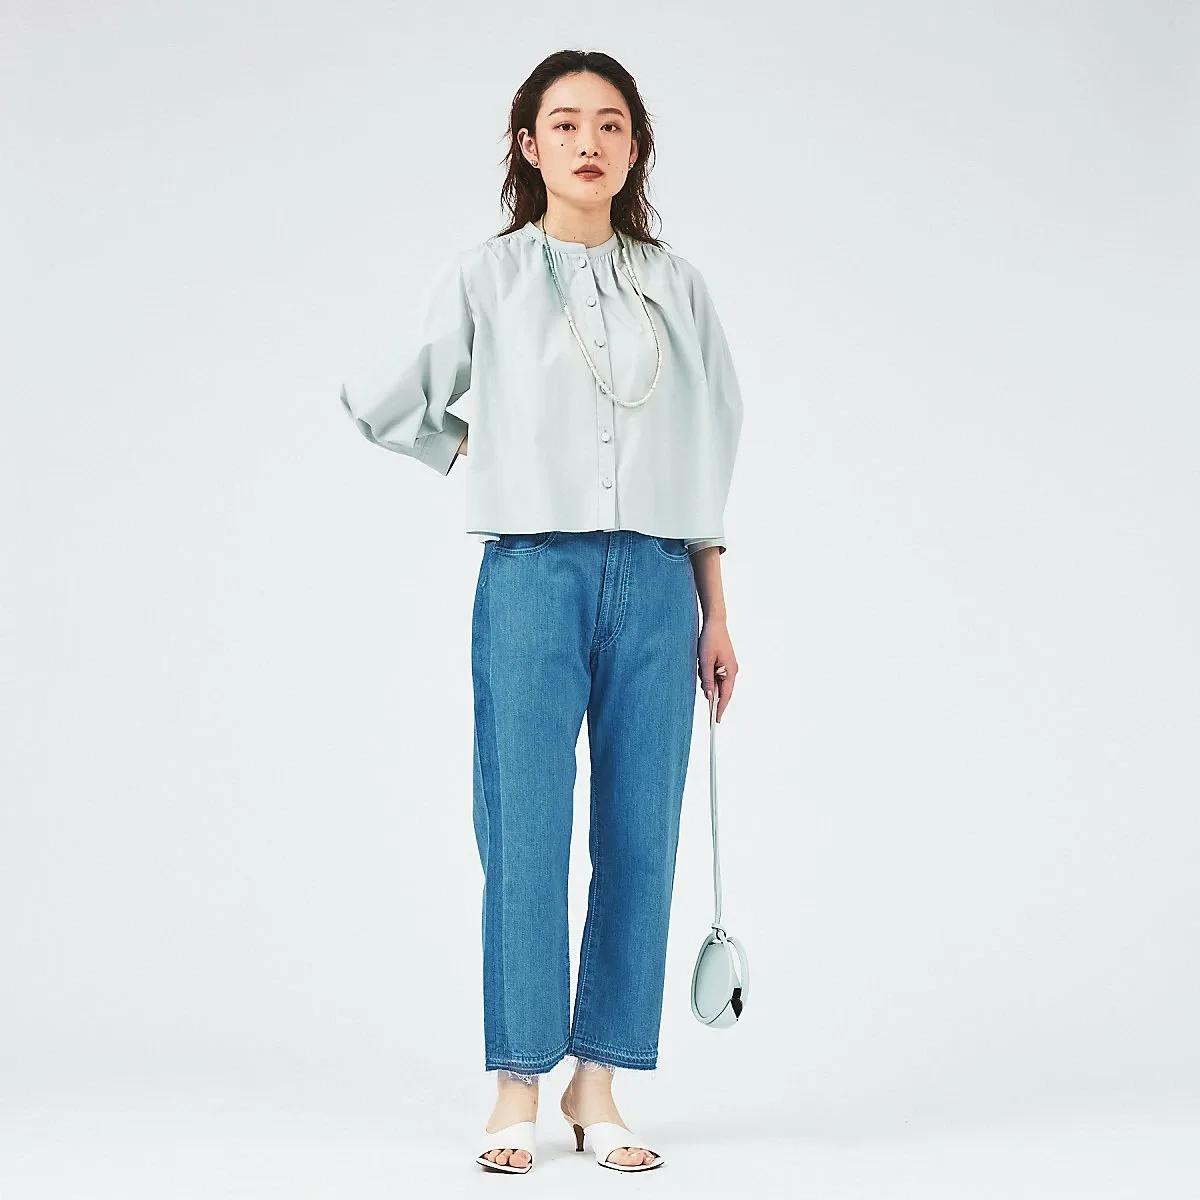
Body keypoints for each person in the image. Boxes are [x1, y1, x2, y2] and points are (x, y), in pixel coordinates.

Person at [339, 49, 743, 1174]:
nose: (587, 142)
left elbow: (706, 453)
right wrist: (471, 450)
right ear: (529, 144)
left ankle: (597, 1082)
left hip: (658, 581)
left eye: (609, 123)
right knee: (521, 830)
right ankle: (515, 1082)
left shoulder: (678, 287)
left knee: (642, 835)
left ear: (634, 146)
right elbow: (381, 399)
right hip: (530, 576)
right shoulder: (489, 278)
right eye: (563, 123)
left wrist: (714, 610)